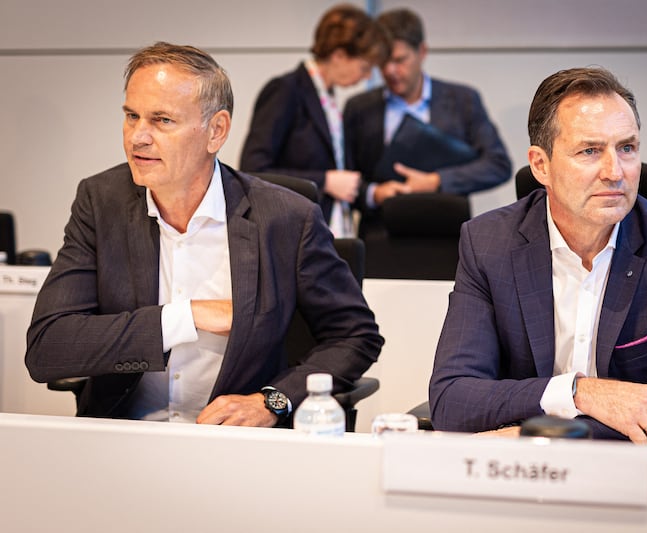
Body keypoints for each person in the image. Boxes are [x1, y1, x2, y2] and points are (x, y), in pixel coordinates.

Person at [25, 42, 383, 427]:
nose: (137, 137)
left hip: (235, 447)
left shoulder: (285, 219)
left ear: (216, 131)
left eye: (162, 120)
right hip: (124, 436)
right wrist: (185, 317)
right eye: (132, 116)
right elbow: (48, 347)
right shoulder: (101, 202)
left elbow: (355, 336)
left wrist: (272, 402)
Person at [428, 67, 647, 454]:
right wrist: (580, 393)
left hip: (635, 482)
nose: (615, 172)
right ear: (541, 165)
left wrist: (550, 435)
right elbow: (452, 398)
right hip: (517, 476)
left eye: (627, 148)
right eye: (590, 151)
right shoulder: (487, 244)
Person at [343, 8, 511, 238]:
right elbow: (344, 177)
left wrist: (436, 181)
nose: (390, 71)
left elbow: (497, 165)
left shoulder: (463, 100)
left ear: (422, 51)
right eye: (382, 62)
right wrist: (374, 193)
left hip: (446, 237)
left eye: (399, 60)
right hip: (379, 238)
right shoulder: (359, 108)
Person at [239, 4, 389, 236]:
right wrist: (325, 181)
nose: (367, 76)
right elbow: (253, 170)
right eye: (364, 67)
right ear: (339, 55)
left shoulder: (329, 99)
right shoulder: (286, 90)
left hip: (331, 230)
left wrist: (374, 193)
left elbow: (340, 175)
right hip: (294, 233)